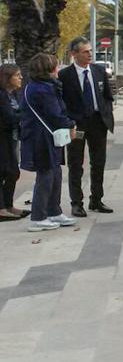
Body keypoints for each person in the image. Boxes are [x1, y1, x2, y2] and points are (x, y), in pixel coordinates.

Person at [21, 53, 78, 232]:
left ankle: (54, 211)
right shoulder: (43, 90)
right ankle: (38, 217)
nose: (58, 69)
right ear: (49, 69)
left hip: (45, 136)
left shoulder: (38, 86)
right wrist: (71, 124)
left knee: (55, 173)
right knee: (46, 176)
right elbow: (55, 114)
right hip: (42, 138)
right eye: (55, 66)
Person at [59, 36, 115, 216]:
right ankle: (76, 202)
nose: (90, 54)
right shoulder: (65, 75)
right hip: (77, 125)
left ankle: (96, 199)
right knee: (75, 164)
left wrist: (107, 113)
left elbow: (107, 96)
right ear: (74, 54)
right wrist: (69, 121)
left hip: (98, 122)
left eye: (90, 51)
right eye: (85, 52)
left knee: (98, 162)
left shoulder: (99, 70)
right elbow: (61, 101)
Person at [0, 64, 24, 221]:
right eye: (17, 75)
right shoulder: (1, 96)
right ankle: (2, 208)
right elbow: (8, 118)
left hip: (12, 138)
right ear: (7, 78)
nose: (21, 78)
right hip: (3, 138)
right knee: (4, 171)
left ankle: (8, 205)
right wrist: (23, 116)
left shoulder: (13, 94)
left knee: (13, 172)